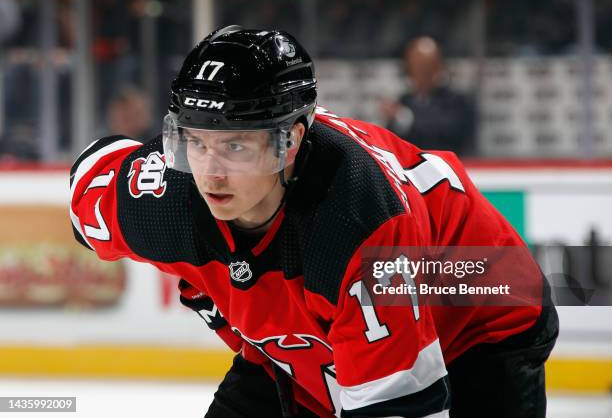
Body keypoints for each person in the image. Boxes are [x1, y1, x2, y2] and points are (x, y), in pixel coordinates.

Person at [69, 26, 558, 418]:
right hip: (318, 323)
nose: (211, 171)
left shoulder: (358, 222)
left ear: (291, 141)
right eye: (196, 142)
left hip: (475, 295)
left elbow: (393, 405)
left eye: (236, 145)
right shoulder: (163, 198)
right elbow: (89, 179)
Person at [381, 36, 476, 157]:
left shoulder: (457, 102)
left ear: (438, 66)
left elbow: (446, 136)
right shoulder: (404, 101)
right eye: (416, 65)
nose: (421, 72)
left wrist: (406, 119)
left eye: (427, 66)